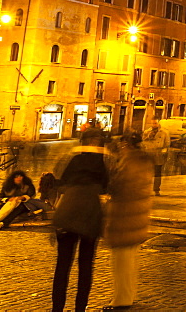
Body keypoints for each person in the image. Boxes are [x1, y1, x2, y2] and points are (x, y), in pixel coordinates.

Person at [51, 127, 110, 312]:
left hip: (67, 213)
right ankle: (80, 308)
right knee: (85, 266)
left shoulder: (72, 158)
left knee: (62, 265)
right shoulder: (105, 161)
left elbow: (59, 179)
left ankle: (57, 309)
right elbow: (108, 186)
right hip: (90, 215)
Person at [103, 131, 154, 311]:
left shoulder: (131, 162)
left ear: (127, 145)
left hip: (126, 216)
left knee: (121, 262)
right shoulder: (143, 160)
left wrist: (110, 177)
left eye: (123, 145)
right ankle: (127, 295)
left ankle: (121, 300)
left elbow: (121, 186)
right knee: (129, 260)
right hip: (136, 216)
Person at [140, 120, 171, 196]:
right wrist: (148, 137)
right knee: (147, 173)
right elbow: (143, 142)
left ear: (158, 123)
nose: (154, 125)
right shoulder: (147, 131)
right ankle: (146, 189)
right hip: (149, 153)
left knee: (157, 173)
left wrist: (164, 152)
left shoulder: (164, 132)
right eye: (153, 123)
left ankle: (156, 189)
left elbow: (167, 143)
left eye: (155, 123)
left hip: (158, 154)